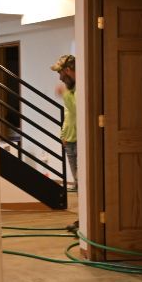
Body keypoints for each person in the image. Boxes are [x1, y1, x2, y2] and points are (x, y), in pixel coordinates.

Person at [51, 54, 77, 188]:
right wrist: (63, 135)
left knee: (84, 183)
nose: (60, 78)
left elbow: (78, 109)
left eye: (60, 73)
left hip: (80, 143)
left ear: (67, 70)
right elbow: (68, 114)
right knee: (78, 182)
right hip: (70, 142)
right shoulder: (71, 88)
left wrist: (65, 93)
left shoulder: (80, 88)